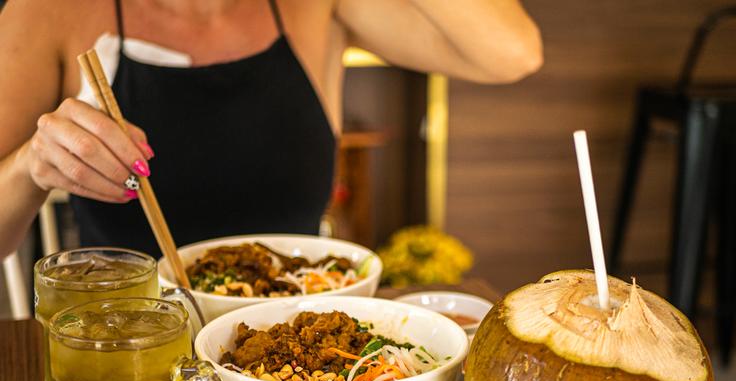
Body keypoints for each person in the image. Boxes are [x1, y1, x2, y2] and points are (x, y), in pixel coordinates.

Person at [0, 0, 542, 259]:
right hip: (130, 354)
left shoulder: (315, 4)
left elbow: (511, 53)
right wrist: (31, 165)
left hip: (293, 352)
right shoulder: (49, 10)